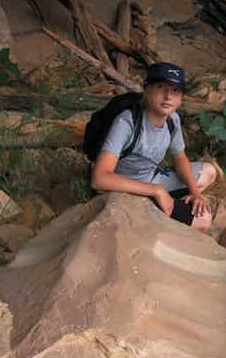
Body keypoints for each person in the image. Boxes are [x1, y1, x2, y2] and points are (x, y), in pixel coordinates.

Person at [91, 62, 216, 232]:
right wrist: (156, 191)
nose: (167, 96)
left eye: (175, 91)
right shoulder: (128, 122)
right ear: (147, 89)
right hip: (121, 188)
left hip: (149, 179)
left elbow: (179, 158)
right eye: (160, 87)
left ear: (180, 98)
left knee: (209, 172)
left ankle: (160, 205)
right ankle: (155, 208)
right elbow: (99, 179)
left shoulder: (172, 120)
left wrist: (195, 193)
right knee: (203, 220)